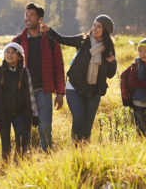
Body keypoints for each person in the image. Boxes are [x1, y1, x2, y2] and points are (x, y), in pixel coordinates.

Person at [41, 14, 117, 142]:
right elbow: (62, 39)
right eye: (94, 25)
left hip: (94, 91)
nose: (95, 28)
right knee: (78, 117)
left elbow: (110, 74)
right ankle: (75, 147)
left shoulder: (108, 49)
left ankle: (83, 151)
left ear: (106, 30)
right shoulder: (83, 40)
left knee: (87, 125)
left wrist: (112, 62)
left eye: (99, 26)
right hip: (74, 87)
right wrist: (49, 31)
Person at [13, 2, 65, 152]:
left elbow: (59, 68)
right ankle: (23, 160)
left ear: (40, 19)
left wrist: (60, 93)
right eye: (26, 15)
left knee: (45, 128)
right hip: (24, 94)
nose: (27, 19)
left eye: (31, 15)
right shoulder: (17, 42)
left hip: (44, 91)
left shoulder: (51, 41)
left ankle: (47, 156)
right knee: (23, 131)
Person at [0, 42, 39, 160]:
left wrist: (35, 114)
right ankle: (5, 166)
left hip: (20, 113)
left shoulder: (25, 73)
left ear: (19, 56)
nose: (9, 55)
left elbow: (30, 95)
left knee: (22, 141)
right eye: (7, 52)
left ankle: (19, 164)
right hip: (3, 114)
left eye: (13, 52)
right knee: (5, 144)